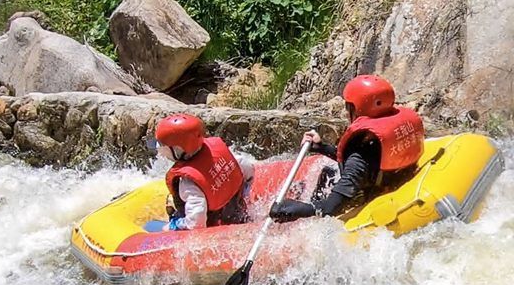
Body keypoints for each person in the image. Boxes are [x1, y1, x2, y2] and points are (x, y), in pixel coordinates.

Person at [270, 74, 425, 223]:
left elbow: (330, 208)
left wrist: (298, 210)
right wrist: (321, 147)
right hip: (396, 182)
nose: (345, 112)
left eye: (347, 107)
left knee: (326, 175)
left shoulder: (359, 158)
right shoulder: (380, 139)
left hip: (372, 200)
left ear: (356, 110)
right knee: (328, 173)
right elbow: (365, 160)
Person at [156, 113, 255, 231]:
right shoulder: (220, 154)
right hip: (236, 211)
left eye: (163, 145)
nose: (158, 148)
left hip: (216, 226)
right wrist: (245, 194)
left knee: (161, 227)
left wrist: (175, 225)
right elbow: (248, 167)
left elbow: (196, 223)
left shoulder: (188, 183)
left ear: (178, 149)